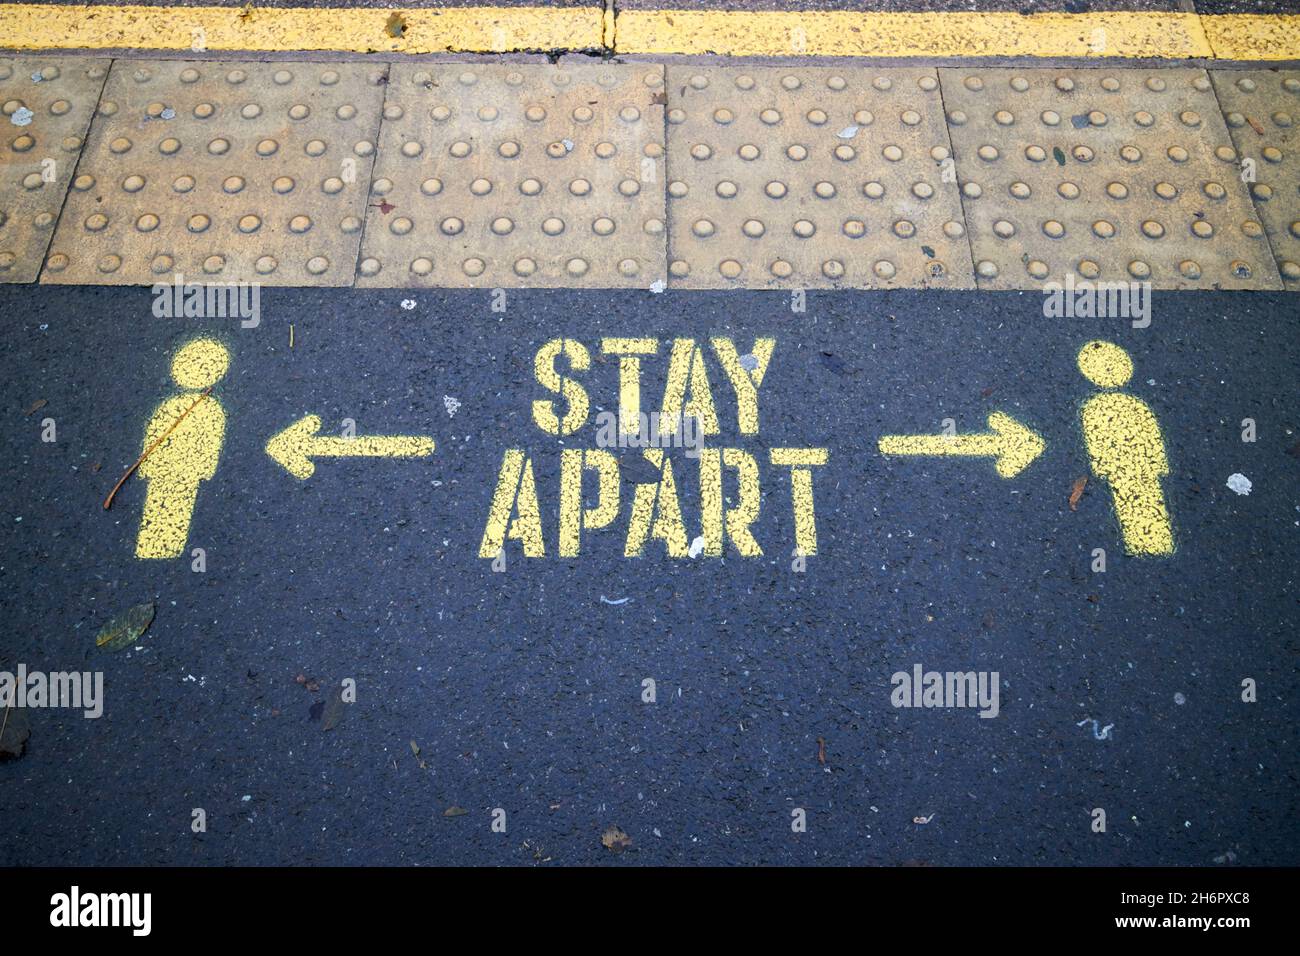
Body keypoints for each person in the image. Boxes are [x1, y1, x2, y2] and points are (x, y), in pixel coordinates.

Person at [1077, 340, 1173, 557]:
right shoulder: (1098, 407)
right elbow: (1097, 441)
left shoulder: (1102, 407)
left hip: (1137, 467)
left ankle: (1155, 541)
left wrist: (1158, 462)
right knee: (1129, 502)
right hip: (1125, 468)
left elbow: (1151, 434)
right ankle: (1144, 543)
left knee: (1148, 499)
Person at [135, 339, 229, 559]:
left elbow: (156, 432)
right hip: (176, 470)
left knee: (175, 505)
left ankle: (163, 547)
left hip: (181, 471)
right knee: (162, 505)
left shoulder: (192, 407)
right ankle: (157, 546)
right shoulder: (202, 408)